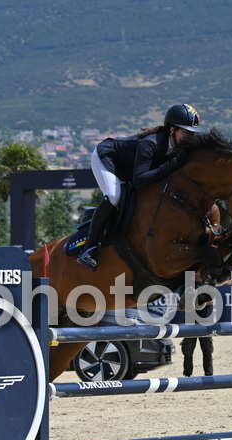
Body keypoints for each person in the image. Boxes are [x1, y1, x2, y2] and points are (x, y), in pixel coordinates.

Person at [77, 103, 205, 270]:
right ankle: (89, 248)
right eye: (186, 133)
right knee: (115, 196)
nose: (190, 138)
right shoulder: (150, 144)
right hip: (107, 158)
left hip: (128, 168)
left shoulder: (178, 148)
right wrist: (170, 166)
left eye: (192, 134)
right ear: (172, 130)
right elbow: (140, 180)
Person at [181, 293, 215, 377]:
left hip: (205, 321)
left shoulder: (207, 288)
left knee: (207, 350)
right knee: (188, 350)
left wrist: (197, 302)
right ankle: (187, 375)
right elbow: (184, 302)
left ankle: (209, 375)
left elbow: (211, 301)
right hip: (190, 321)